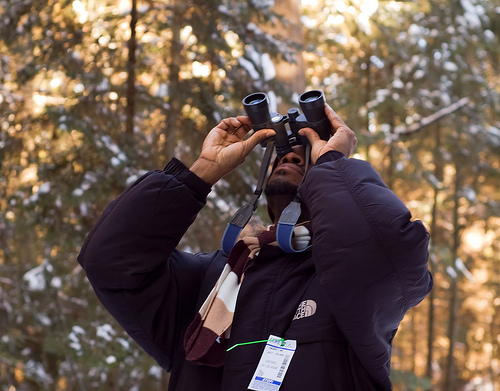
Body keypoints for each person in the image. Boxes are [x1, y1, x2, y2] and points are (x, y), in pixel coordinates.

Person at [78, 103, 432, 390]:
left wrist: (333, 163)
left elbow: (388, 245)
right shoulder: (212, 280)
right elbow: (111, 261)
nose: (290, 158)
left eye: (303, 157)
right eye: (282, 155)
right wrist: (201, 172)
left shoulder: (349, 283)